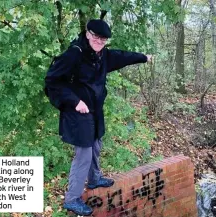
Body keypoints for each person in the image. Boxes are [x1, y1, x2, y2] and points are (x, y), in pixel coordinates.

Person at [45, 19, 152, 216]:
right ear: (87, 34)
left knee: (96, 144)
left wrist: (143, 57)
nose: (99, 41)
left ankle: (94, 179)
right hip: (77, 111)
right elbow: (52, 81)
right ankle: (72, 199)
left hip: (95, 109)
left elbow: (122, 56)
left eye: (103, 39)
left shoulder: (102, 55)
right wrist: (75, 101)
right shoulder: (74, 54)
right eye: (96, 37)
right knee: (83, 154)